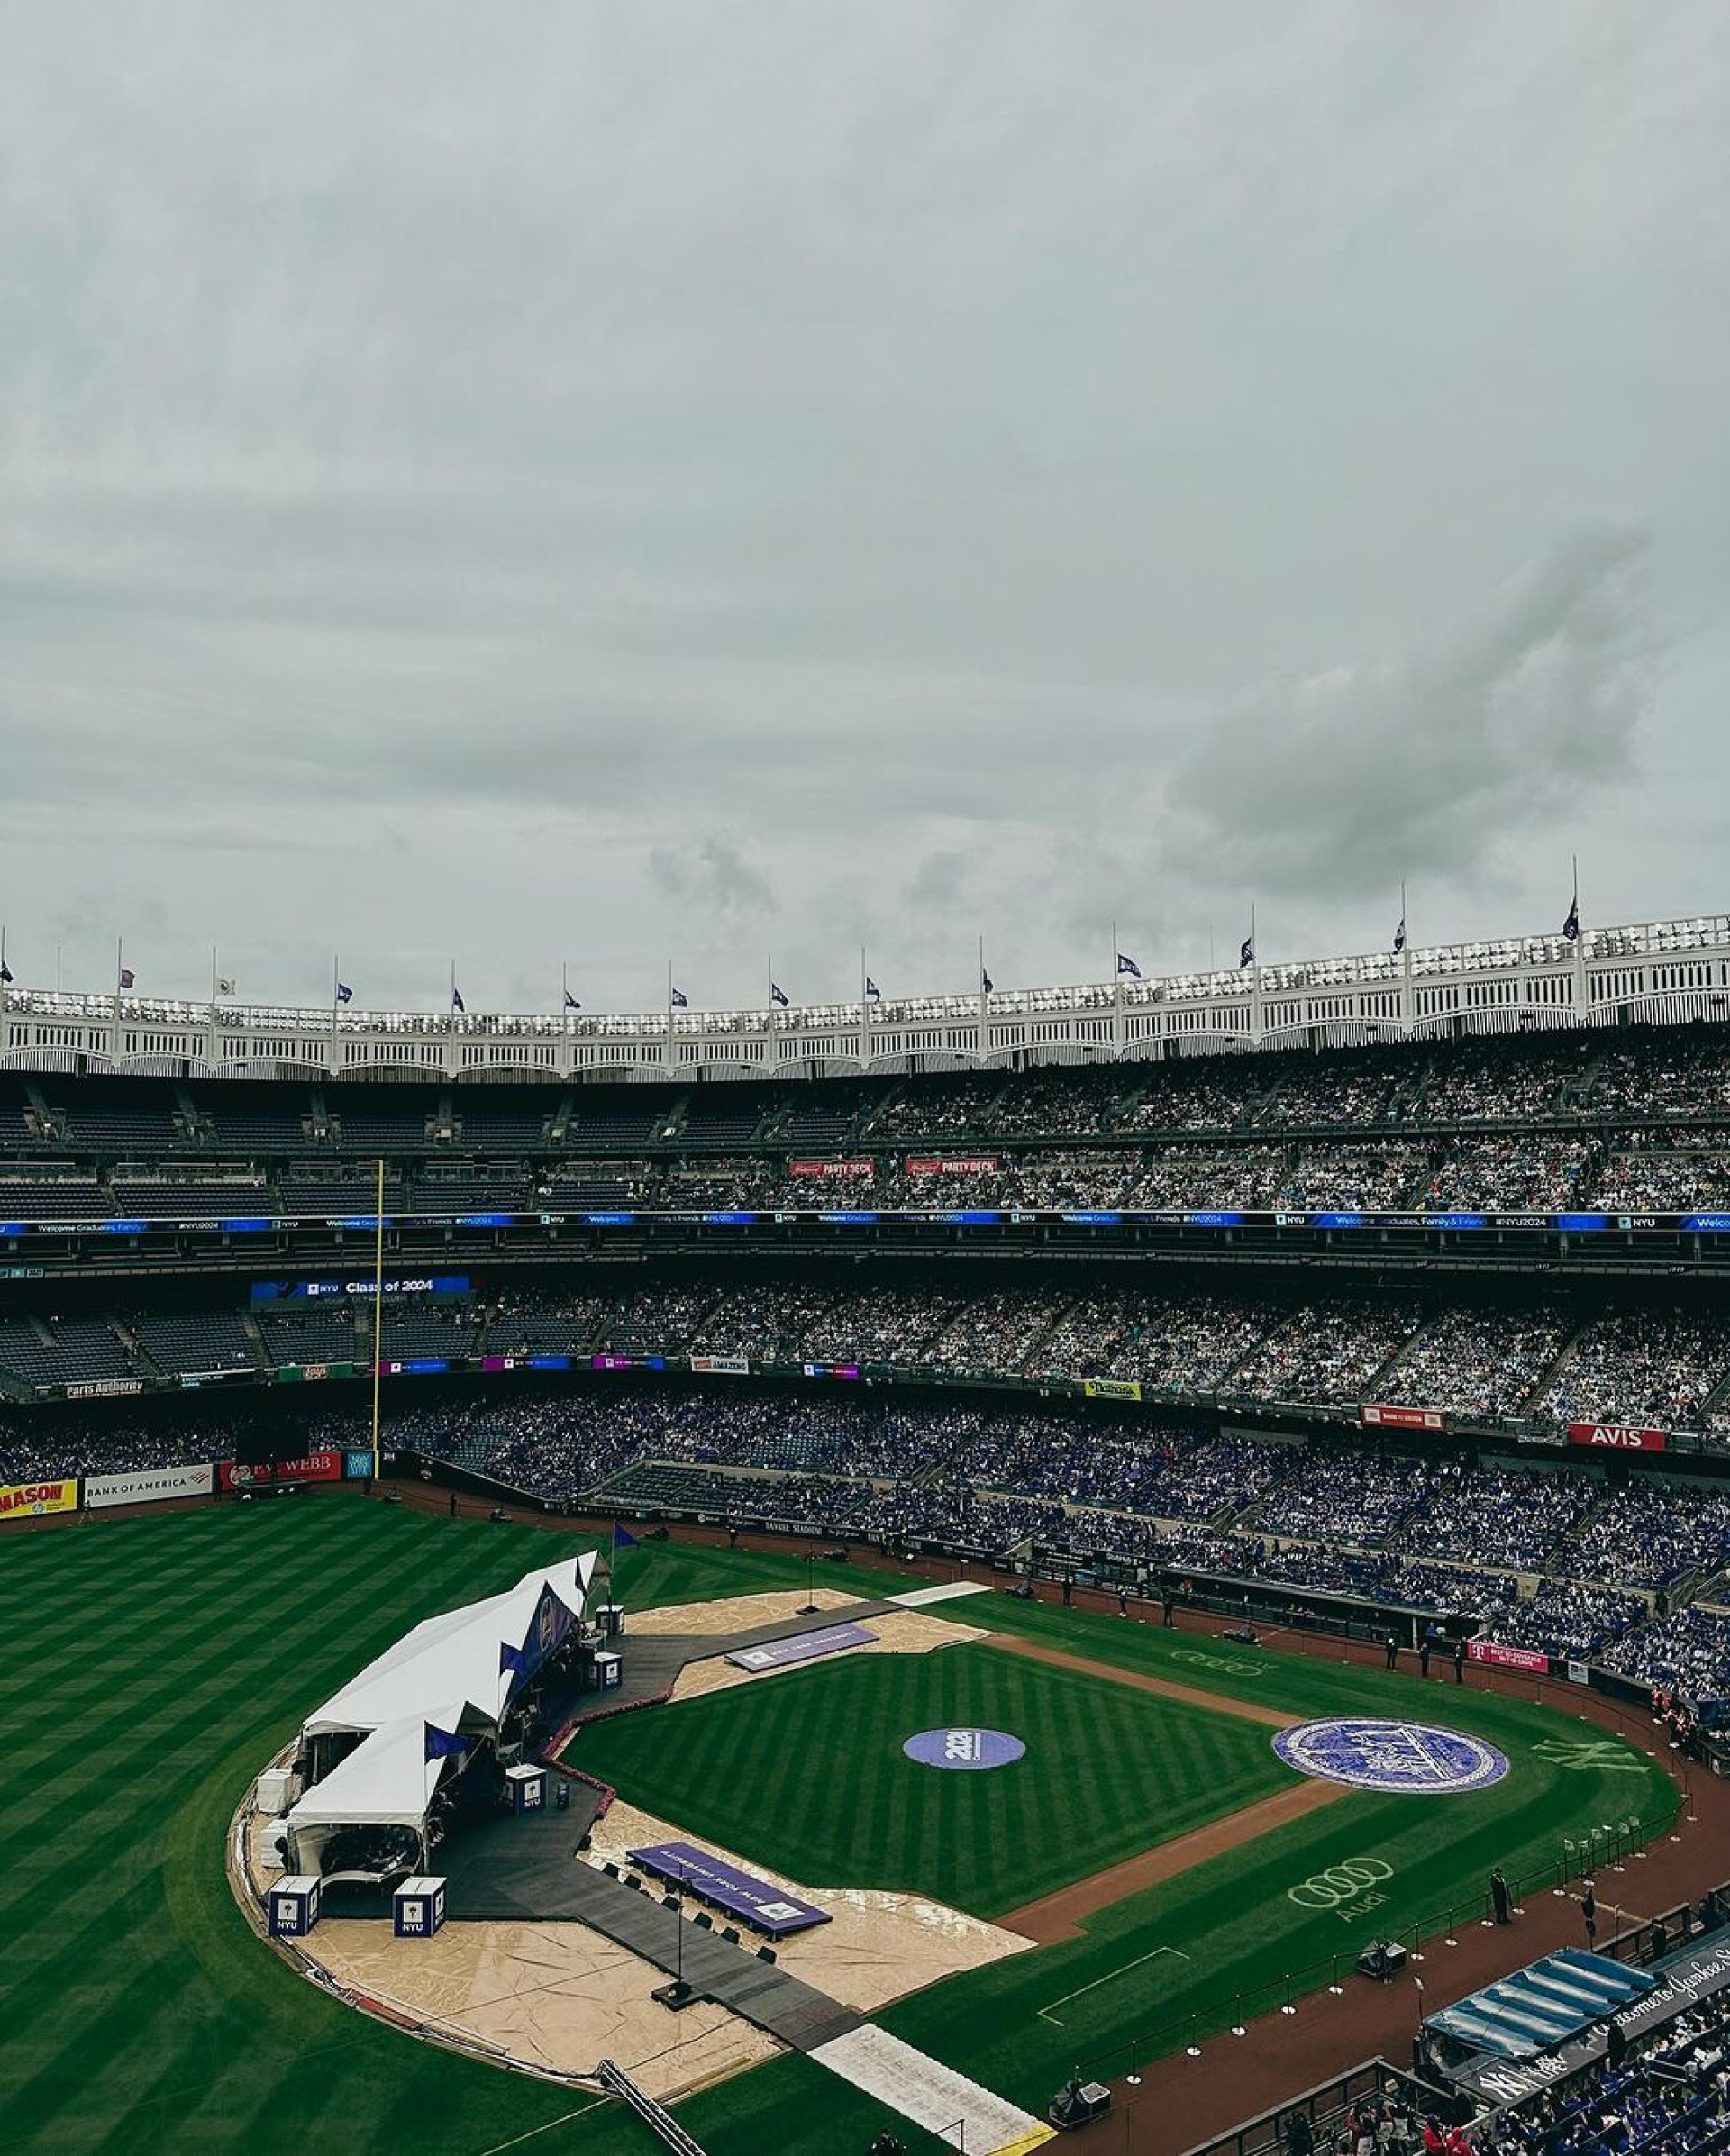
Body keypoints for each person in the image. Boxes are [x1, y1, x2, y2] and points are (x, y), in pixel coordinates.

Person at [1582, 1879, 1598, 1945]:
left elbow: (1585, 1905)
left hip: (1589, 1914)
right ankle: (1589, 1890)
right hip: (1589, 1913)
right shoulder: (1589, 1913)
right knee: (1588, 1901)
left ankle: (1589, 1890)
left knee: (1588, 1901)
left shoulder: (1589, 1913)